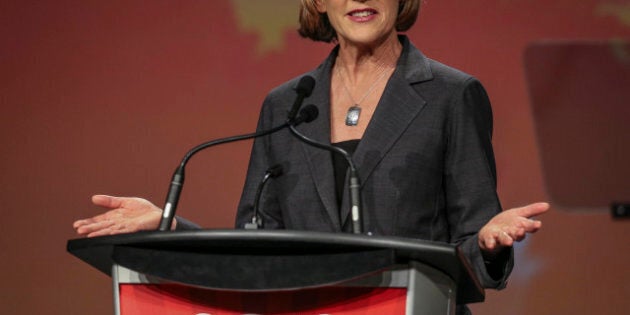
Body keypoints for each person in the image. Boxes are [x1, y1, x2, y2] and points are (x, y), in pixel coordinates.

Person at [73, 0, 549, 313]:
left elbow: (470, 247)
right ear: (320, 1)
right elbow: (255, 244)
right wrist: (169, 226)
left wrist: (488, 242)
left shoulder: (451, 95)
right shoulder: (288, 104)